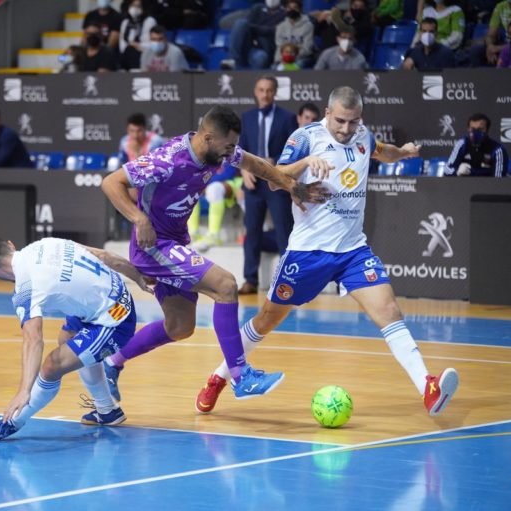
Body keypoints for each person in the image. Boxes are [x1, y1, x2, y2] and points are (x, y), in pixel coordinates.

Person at [195, 86, 459, 418]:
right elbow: (276, 181)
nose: (347, 129)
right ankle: (219, 378)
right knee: (265, 320)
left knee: (389, 310)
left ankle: (427, 388)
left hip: (352, 251)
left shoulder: (363, 134)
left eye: (353, 122)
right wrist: (306, 163)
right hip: (308, 253)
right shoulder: (305, 137)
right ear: (327, 112)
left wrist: (404, 153)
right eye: (341, 122)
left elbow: (381, 151)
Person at [99, 105, 327, 403]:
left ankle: (111, 363)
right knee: (226, 285)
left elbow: (255, 164)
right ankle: (241, 376)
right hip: (154, 245)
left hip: (175, 242)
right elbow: (110, 182)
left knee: (180, 327)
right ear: (208, 138)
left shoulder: (218, 148)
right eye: (228, 146)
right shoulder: (167, 159)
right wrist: (139, 219)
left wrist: (291, 186)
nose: (231, 153)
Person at [0, 235, 153, 441]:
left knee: (52, 365)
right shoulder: (46, 243)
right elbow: (105, 256)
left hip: (114, 321)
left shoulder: (25, 289)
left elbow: (33, 340)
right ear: (10, 244)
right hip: (113, 295)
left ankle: (12, 422)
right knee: (67, 338)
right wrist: (137, 276)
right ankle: (107, 410)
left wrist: (24, 390)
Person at [238, 76, 298, 295]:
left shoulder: (288, 118)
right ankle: (250, 280)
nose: (265, 94)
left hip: (277, 182)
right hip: (253, 185)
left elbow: (294, 150)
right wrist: (244, 171)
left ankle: (287, 281)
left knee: (284, 231)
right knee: (251, 232)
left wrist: (277, 162)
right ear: (256, 91)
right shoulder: (246, 118)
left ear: (275, 93)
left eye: (269, 90)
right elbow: (239, 150)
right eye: (261, 90)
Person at [227, 0, 287, 70]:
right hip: (249, 45)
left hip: (264, 49)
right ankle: (232, 59)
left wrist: (256, 28)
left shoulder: (284, 14)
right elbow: (247, 26)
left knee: (260, 57)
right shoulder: (257, 8)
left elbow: (275, 30)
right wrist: (262, 29)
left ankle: (252, 78)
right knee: (241, 23)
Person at [445, 113, 509, 177]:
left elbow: (499, 179)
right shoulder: (462, 144)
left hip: (487, 185)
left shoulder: (497, 150)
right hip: (462, 185)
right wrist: (457, 172)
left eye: (480, 129)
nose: (475, 133)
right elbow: (447, 170)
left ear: (487, 130)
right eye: (472, 129)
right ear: (468, 129)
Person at [470, 0, 511, 66]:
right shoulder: (500, 7)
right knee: (476, 50)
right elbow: (490, 35)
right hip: (506, 43)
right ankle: (481, 75)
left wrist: (497, 48)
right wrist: (490, 47)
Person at [274, 0, 314, 69]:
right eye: (289, 8)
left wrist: (291, 57)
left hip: (301, 58)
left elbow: (307, 48)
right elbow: (279, 47)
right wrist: (279, 60)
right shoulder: (280, 27)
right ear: (286, 9)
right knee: (275, 68)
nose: (292, 10)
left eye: (295, 8)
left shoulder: (308, 26)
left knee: (296, 66)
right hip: (284, 58)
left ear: (300, 10)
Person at [118, 0, 157, 70]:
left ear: (143, 8)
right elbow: (122, 44)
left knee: (132, 51)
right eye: (132, 6)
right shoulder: (125, 22)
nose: (135, 9)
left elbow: (152, 44)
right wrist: (131, 46)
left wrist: (137, 45)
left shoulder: (149, 21)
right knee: (129, 51)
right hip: (128, 54)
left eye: (138, 6)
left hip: (144, 53)